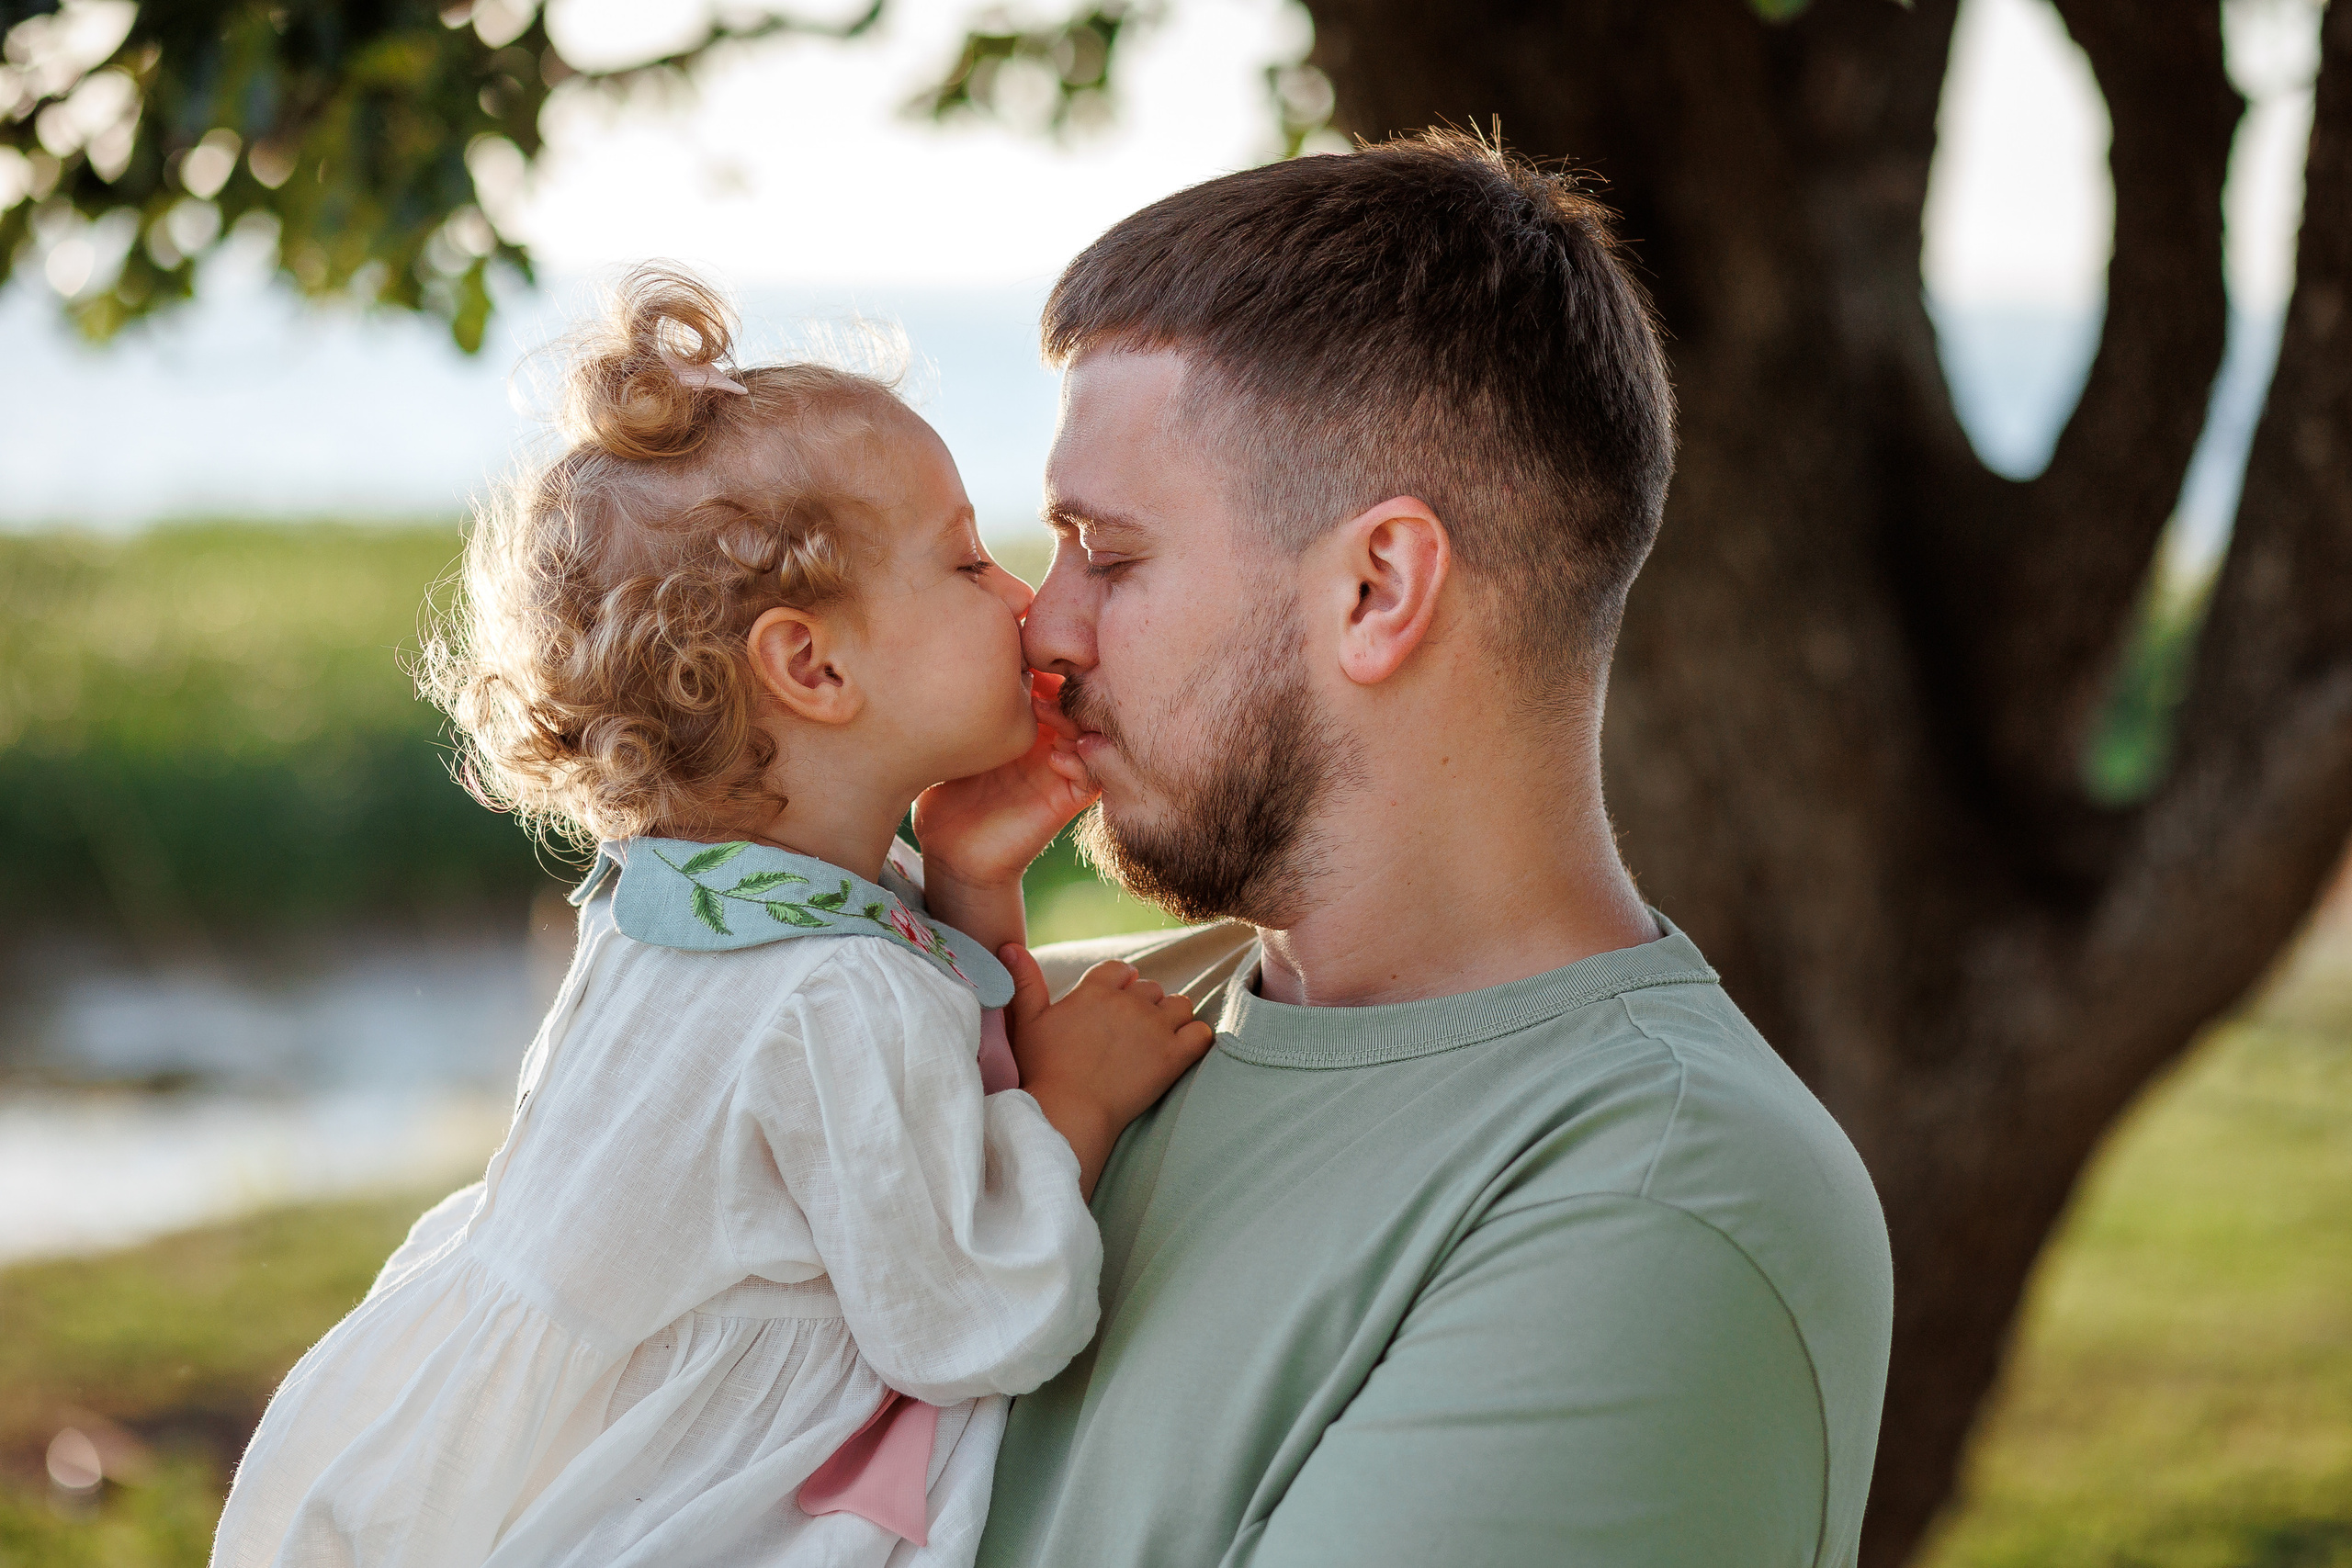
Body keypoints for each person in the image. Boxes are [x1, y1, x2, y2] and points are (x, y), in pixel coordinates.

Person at [976, 131, 1897, 1568]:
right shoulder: (1058, 1037)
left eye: (1111, 552)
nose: (1046, 629)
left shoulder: (1657, 1198)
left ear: (1377, 587)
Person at [209, 265, 1207, 1568]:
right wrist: (1070, 1110)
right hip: (683, 1501)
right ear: (812, 664)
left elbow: (894, 1108)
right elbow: (960, 1316)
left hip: (525, 1443)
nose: (1026, 601)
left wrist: (968, 888)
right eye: (967, 560)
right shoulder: (832, 991)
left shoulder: (676, 898)